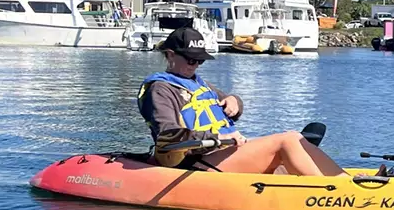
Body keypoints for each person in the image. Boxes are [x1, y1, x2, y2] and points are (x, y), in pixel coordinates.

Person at [139, 27, 343, 175]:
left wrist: (234, 101)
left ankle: (345, 181)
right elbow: (168, 135)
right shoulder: (160, 89)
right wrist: (215, 136)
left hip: (221, 154)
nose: (196, 65)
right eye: (191, 59)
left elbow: (228, 105)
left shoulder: (198, 84)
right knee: (286, 140)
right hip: (194, 164)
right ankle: (331, 194)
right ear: (170, 55)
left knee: (297, 139)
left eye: (200, 60)